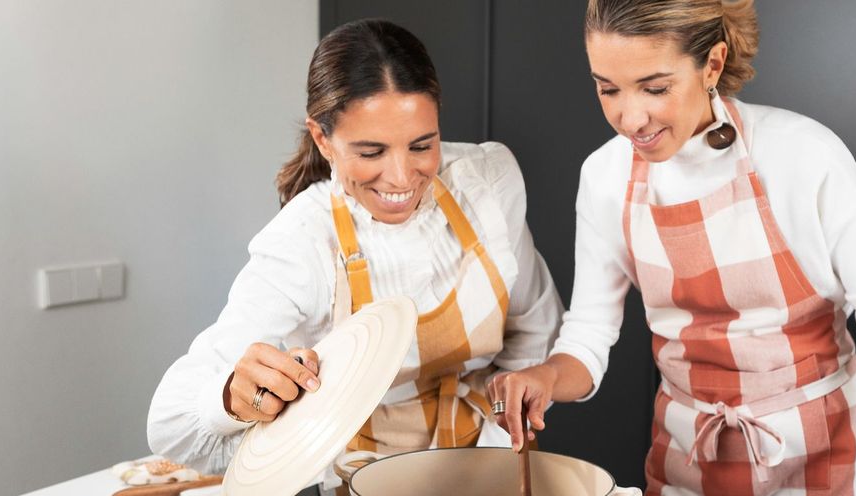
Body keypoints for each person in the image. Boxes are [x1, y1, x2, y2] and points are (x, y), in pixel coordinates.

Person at [491, 0, 856, 496]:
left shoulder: (802, 156)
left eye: (654, 87)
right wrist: (546, 378)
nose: (630, 117)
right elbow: (590, 336)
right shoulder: (605, 177)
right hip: (688, 468)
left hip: (816, 469)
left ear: (713, 63)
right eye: (608, 89)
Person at [148, 19, 563, 473]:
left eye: (422, 145)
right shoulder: (302, 241)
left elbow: (536, 324)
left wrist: (500, 429)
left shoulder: (485, 183)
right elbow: (169, 425)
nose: (403, 178)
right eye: (371, 153)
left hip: (493, 463)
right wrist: (232, 395)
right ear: (323, 138)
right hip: (364, 487)